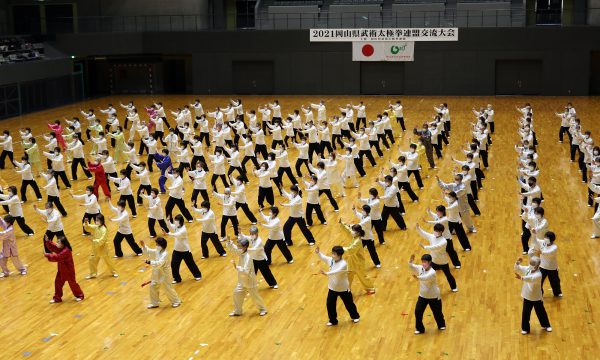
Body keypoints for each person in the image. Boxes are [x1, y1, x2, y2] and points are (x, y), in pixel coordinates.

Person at [315, 245, 360, 326]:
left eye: (334, 254)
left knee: (349, 304)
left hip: (343, 289)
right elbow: (324, 258)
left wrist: (326, 273)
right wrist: (318, 253)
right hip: (332, 288)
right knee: (330, 304)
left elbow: (336, 271)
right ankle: (333, 320)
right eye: (332, 253)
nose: (332, 255)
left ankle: (355, 316)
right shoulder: (331, 260)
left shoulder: (343, 264)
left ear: (339, 255)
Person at [225, 236, 268, 317]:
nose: (238, 248)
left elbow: (246, 271)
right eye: (238, 246)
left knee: (255, 297)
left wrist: (236, 267)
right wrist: (229, 242)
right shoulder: (241, 252)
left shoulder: (248, 257)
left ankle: (263, 309)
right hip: (242, 280)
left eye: (239, 247)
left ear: (245, 247)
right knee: (236, 293)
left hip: (249, 280)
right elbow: (234, 250)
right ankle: (238, 311)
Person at [408, 254, 446, 334]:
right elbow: (412, 267)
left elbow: (426, 278)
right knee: (418, 311)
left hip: (433, 296)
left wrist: (418, 278)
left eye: (425, 262)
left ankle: (441, 324)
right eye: (422, 262)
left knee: (437, 312)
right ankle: (419, 328)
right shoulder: (420, 268)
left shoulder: (432, 272)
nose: (423, 264)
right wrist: (410, 261)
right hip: (423, 296)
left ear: (430, 262)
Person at [514, 256, 552, 334]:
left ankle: (546, 325)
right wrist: (517, 262)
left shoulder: (539, 275)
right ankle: (525, 328)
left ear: (536, 265)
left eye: (532, 263)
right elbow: (518, 268)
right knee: (525, 313)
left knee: (541, 312)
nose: (530, 264)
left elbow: (531, 279)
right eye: (530, 262)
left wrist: (521, 278)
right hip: (527, 295)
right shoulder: (528, 269)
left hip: (536, 297)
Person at [141, 237, 182, 309]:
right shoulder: (157, 251)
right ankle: (154, 303)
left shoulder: (165, 254)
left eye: (157, 244)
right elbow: (149, 251)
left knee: (167, 288)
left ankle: (176, 301)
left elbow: (159, 263)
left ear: (161, 246)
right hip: (157, 273)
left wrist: (149, 262)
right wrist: (144, 246)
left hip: (164, 274)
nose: (156, 245)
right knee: (153, 286)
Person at [416, 223, 458, 292]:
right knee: (428, 274)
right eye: (434, 230)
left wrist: (425, 247)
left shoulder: (444, 241)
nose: (435, 232)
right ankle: (427, 287)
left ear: (441, 232)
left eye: (436, 231)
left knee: (448, 275)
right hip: (433, 261)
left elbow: (436, 247)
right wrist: (418, 228)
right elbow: (424, 233)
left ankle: (454, 287)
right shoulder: (432, 236)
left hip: (443, 261)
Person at [44, 235, 84, 303]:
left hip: (69, 271)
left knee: (73, 284)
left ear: (63, 244)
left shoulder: (66, 251)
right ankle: (57, 298)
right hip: (61, 270)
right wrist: (48, 241)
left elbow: (57, 257)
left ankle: (80, 295)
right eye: (57, 242)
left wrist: (48, 255)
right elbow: (53, 247)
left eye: (58, 242)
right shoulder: (61, 248)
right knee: (57, 283)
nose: (56, 243)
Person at [339, 222, 377, 293]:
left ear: (358, 233)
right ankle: (347, 289)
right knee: (348, 275)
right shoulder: (355, 237)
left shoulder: (358, 242)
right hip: (352, 261)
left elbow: (350, 250)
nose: (352, 232)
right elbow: (348, 231)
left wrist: (341, 248)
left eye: (353, 231)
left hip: (358, 263)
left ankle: (370, 288)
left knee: (362, 277)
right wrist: (342, 224)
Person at [165, 214, 202, 283]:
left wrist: (168, 234)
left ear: (180, 221)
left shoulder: (183, 230)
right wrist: (168, 221)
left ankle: (197, 275)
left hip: (185, 251)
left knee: (191, 264)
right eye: (175, 220)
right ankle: (177, 278)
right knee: (174, 264)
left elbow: (177, 235)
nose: (175, 221)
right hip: (177, 250)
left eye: (177, 220)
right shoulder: (176, 227)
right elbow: (170, 226)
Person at [83, 214, 118, 279]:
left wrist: (93, 240)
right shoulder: (96, 227)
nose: (96, 222)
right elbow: (88, 227)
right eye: (96, 220)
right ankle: (93, 274)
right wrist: (85, 222)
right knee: (92, 260)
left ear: (101, 221)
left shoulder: (104, 230)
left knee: (108, 261)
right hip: (96, 248)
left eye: (97, 220)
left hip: (103, 248)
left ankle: (114, 272)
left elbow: (102, 240)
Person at [536, 231, 562, 297]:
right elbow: (536, 240)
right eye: (545, 237)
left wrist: (541, 252)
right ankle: (539, 294)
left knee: (555, 281)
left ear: (551, 239)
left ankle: (557, 293)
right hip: (542, 266)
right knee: (539, 281)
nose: (545, 238)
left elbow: (548, 253)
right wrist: (533, 232)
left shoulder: (554, 247)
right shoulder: (543, 243)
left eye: (547, 237)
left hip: (552, 267)